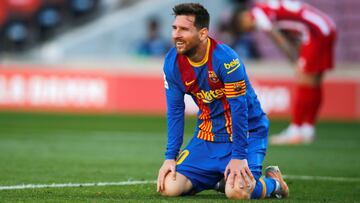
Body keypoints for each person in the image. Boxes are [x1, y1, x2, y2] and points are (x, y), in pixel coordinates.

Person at [157, 3, 289, 200]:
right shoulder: (172, 63)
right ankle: (219, 180)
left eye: (184, 29)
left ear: (202, 34)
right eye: (174, 28)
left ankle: (275, 184)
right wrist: (170, 157)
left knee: (237, 192)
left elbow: (239, 109)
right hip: (208, 136)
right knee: (169, 187)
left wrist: (238, 156)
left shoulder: (226, 60)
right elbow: (175, 111)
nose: (176, 34)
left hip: (248, 132)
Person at [235, 0, 336, 145]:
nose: (249, 29)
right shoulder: (267, 8)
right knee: (314, 82)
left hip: (314, 32)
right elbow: (290, 31)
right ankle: (307, 129)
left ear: (244, 17)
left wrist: (294, 61)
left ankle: (295, 129)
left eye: (244, 26)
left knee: (305, 80)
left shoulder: (258, 13)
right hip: (326, 27)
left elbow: (278, 38)